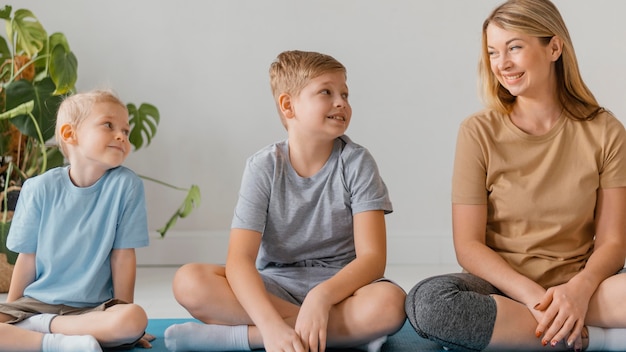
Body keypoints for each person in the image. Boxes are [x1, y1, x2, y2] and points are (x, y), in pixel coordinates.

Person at [405, 0, 626, 351]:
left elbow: (613, 242)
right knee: (427, 302)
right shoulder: (478, 131)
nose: (502, 64)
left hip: (584, 285)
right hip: (503, 289)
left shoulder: (606, 130)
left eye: (515, 48)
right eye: (493, 52)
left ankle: (540, 331)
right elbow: (469, 246)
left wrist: (579, 291)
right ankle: (593, 337)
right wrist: (536, 298)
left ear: (554, 47)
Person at [165, 50, 406, 352]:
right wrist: (269, 323)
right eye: (326, 92)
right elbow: (239, 261)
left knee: (391, 304)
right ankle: (338, 335)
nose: (341, 102)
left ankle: (240, 338)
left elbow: (372, 259)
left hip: (340, 290)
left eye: (345, 93)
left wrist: (322, 297)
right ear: (288, 105)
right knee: (189, 281)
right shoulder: (263, 166)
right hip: (276, 286)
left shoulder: (358, 162)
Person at [0, 90, 153, 352]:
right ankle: (53, 342)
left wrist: (124, 317)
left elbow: (123, 256)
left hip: (93, 310)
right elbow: (28, 258)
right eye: (109, 125)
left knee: (133, 318)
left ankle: (39, 330)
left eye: (126, 131)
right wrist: (13, 310)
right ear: (71, 134)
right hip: (36, 303)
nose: (122, 136)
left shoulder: (127, 186)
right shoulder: (38, 188)